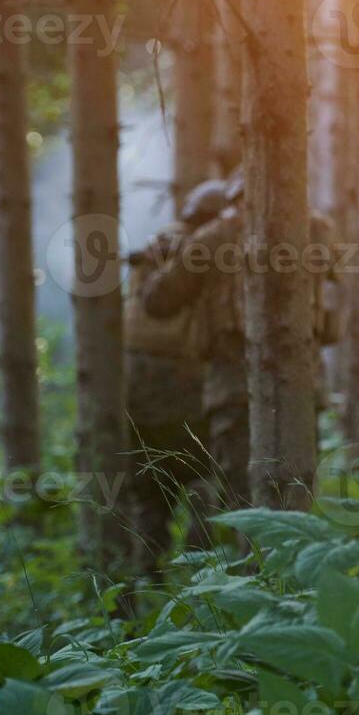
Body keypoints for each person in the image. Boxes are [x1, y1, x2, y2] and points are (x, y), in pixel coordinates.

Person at [142, 176, 339, 519]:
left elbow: (159, 302)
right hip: (301, 388)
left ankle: (251, 570)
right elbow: (333, 321)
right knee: (298, 494)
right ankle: (293, 570)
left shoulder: (212, 238)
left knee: (244, 500)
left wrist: (158, 260)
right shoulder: (319, 230)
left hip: (235, 389)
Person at [122, 178, 229, 568]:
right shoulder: (199, 252)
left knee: (150, 491)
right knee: (205, 476)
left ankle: (146, 579)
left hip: (135, 384)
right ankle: (198, 571)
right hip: (183, 382)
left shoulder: (156, 248)